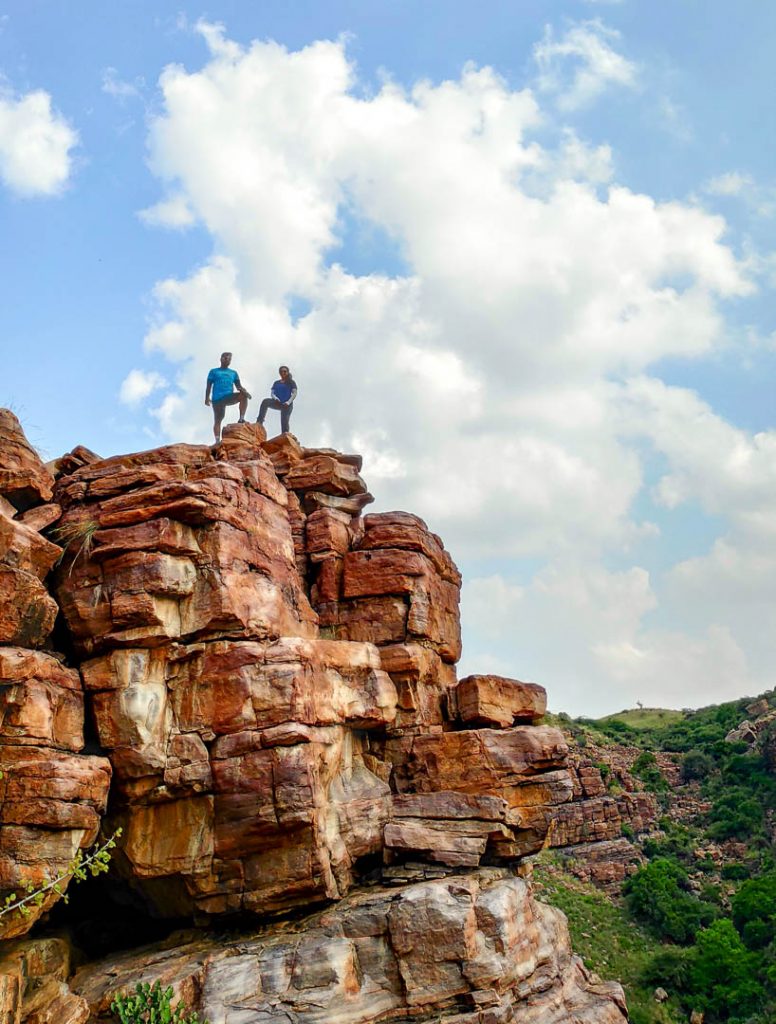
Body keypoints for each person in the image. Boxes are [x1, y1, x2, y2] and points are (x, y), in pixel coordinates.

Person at [205, 352, 251, 443]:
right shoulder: (213, 371)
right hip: (217, 399)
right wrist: (206, 398)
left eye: (229, 358)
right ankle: (217, 441)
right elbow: (208, 386)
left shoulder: (233, 373)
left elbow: (239, 386)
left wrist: (245, 392)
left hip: (228, 396)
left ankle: (241, 419)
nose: (227, 359)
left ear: (230, 361)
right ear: (221, 359)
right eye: (225, 358)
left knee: (243, 396)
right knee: (218, 419)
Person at [256, 365, 297, 435]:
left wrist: (288, 402)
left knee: (284, 420)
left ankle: (285, 435)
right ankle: (259, 422)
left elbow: (294, 393)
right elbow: (272, 393)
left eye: (285, 371)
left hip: (287, 404)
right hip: (277, 402)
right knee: (265, 401)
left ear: (287, 372)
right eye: (281, 371)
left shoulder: (291, 382)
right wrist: (275, 398)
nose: (283, 373)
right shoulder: (276, 383)